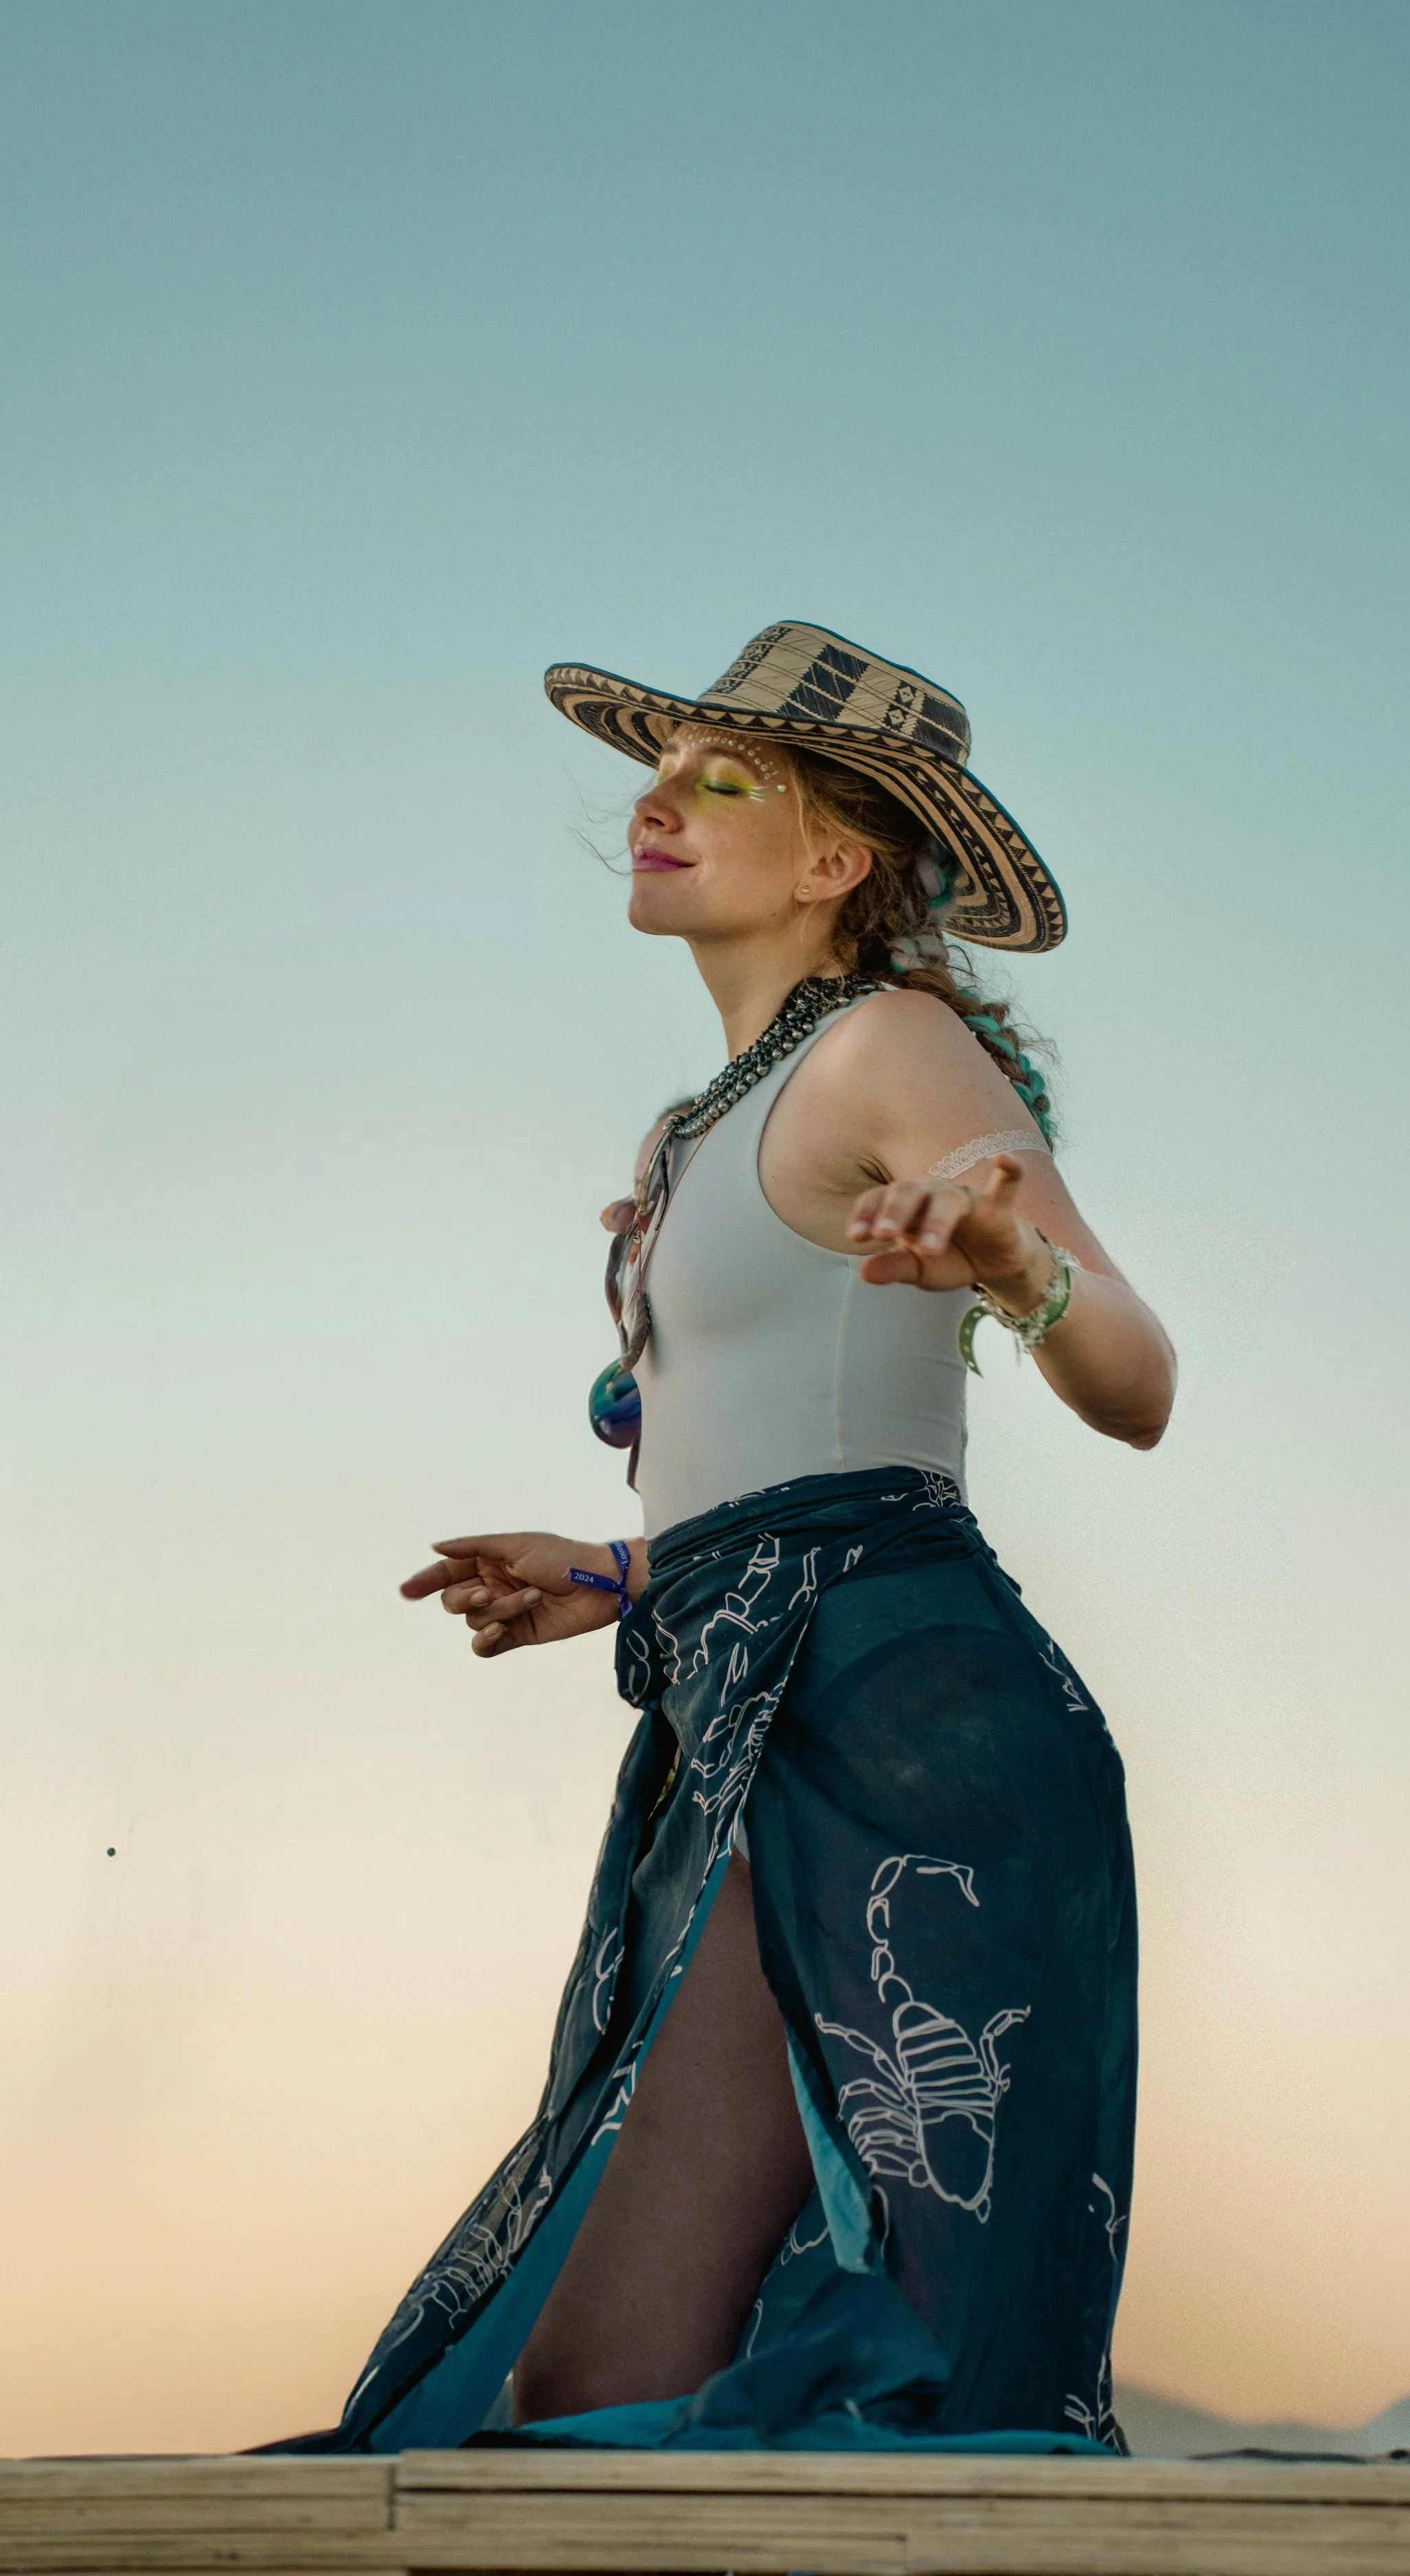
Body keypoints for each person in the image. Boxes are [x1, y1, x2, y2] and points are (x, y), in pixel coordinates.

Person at [299, 624, 1174, 2457]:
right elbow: (787, 1430)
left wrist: (1017, 1266)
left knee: (789, 2380)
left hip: (904, 1728)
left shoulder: (888, 1043)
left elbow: (1136, 1375)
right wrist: (615, 1573)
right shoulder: (707, 1120)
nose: (654, 802)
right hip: (753, 1704)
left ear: (838, 856)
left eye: (720, 780)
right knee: (623, 2372)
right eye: (659, 769)